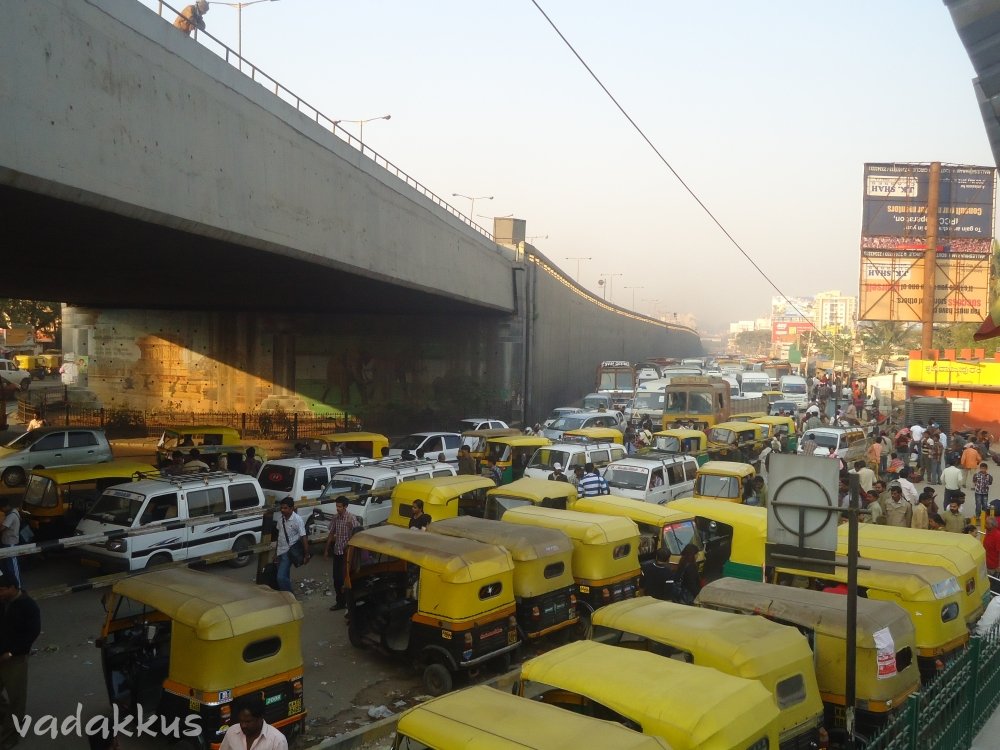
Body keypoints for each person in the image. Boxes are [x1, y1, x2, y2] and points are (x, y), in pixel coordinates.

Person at [0, 560, 40, 750]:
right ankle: (6, 718)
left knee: (16, 700)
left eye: (2, 590)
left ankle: (10, 736)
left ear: (13, 587)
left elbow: (31, 634)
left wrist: (11, 652)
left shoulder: (28, 606)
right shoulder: (4, 603)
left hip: (15, 660)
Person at [324, 498, 359, 611]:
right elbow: (331, 533)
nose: (338, 509)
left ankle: (349, 603)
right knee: (336, 579)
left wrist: (350, 530)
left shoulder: (351, 518)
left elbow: (357, 534)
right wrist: (326, 549)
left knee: (346, 579)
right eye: (337, 506)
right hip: (337, 552)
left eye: (340, 506)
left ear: (345, 507)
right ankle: (340, 602)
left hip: (347, 554)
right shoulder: (335, 518)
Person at [219, 696, 288, 750]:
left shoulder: (278, 741)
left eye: (248, 722)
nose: (243, 725)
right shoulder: (231, 732)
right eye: (241, 721)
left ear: (260, 718)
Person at [275, 497, 309, 593]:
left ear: (292, 508)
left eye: (285, 508)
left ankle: (290, 595)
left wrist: (307, 555)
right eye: (281, 508)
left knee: (280, 577)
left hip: (288, 552)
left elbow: (304, 537)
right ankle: (286, 594)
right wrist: (275, 554)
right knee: (285, 575)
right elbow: (279, 536)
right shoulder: (280, 519)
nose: (282, 510)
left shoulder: (297, 520)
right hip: (280, 552)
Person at [0, 505, 21, 590]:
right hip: (7, 542)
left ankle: (18, 587)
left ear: (5, 507)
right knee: (9, 566)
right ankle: (12, 585)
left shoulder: (11, 515)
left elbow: (2, 528)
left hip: (11, 543)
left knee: (13, 566)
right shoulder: (15, 511)